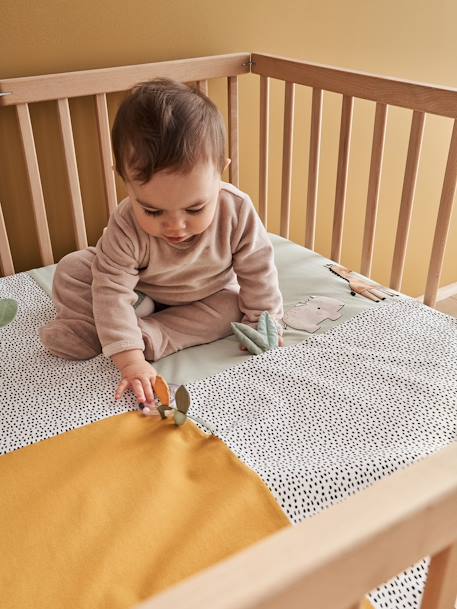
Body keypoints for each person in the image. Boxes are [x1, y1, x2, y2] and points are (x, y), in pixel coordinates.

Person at [39, 77, 284, 404]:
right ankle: (86, 326)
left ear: (220, 173)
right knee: (72, 268)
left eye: (195, 208)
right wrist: (130, 362)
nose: (176, 226)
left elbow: (258, 271)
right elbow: (112, 287)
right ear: (126, 181)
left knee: (235, 306)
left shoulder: (236, 210)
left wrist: (264, 321)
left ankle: (149, 334)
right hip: (142, 288)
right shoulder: (126, 225)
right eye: (152, 210)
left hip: (206, 294)